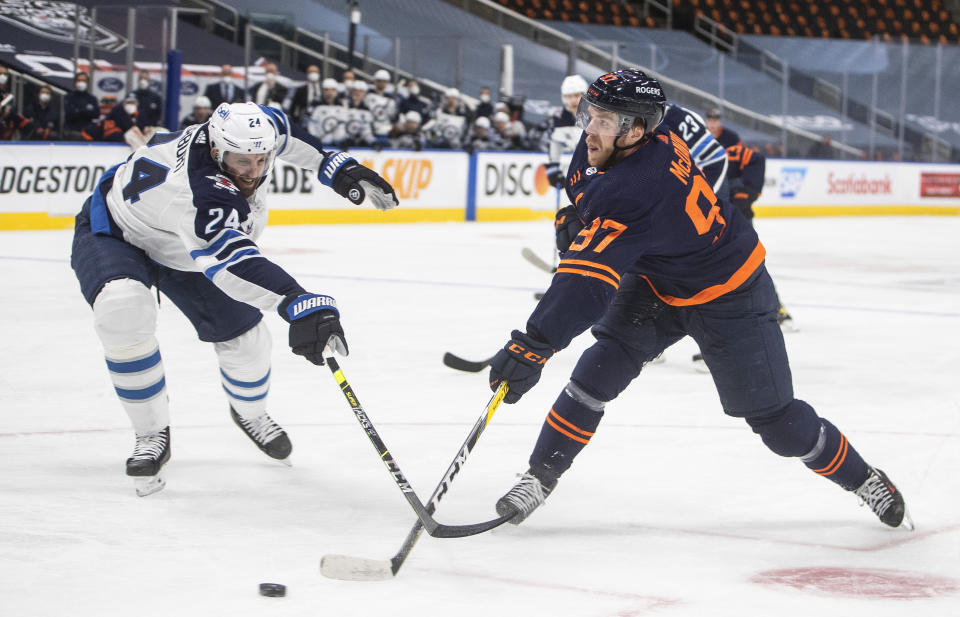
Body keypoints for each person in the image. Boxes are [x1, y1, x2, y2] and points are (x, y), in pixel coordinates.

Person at [487, 69, 912, 533]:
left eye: (605, 120)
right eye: (590, 114)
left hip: (731, 291)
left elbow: (586, 284)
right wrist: (582, 213)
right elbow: (602, 192)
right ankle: (539, 476)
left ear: (636, 130)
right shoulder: (651, 130)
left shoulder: (634, 188)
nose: (589, 128)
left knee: (777, 422)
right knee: (595, 373)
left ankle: (865, 479)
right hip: (658, 279)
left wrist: (536, 342)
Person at [70, 101, 399, 497]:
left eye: (260, 160)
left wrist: (336, 166)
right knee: (122, 308)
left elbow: (287, 137)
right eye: (241, 162)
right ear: (215, 150)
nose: (252, 172)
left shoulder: (256, 130)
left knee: (247, 342)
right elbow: (231, 262)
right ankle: (151, 433)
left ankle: (251, 413)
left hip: (180, 240)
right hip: (119, 231)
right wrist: (298, 301)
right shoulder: (200, 190)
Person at [705, 107, 792, 328]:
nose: (712, 123)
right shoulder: (698, 140)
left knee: (750, 262)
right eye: (709, 119)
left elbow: (755, 161)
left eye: (716, 119)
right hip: (709, 217)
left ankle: (774, 307)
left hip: (736, 215)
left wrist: (744, 194)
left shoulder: (731, 140)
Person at [543, 75, 588, 188]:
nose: (573, 100)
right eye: (568, 96)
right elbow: (552, 144)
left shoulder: (595, 117)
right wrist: (553, 168)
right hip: (568, 173)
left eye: (577, 95)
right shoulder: (557, 119)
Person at [82, 93, 148, 149]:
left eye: (133, 103)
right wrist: (126, 137)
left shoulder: (139, 114)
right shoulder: (116, 113)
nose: (130, 105)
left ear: (137, 104)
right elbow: (110, 134)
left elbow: (138, 128)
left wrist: (144, 130)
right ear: (124, 103)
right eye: (128, 102)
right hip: (88, 137)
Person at [64, 72, 100, 140]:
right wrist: (86, 111)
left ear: (87, 83)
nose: (81, 82)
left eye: (84, 81)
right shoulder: (68, 97)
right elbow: (69, 114)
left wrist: (78, 110)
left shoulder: (92, 98)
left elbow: (96, 114)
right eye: (79, 80)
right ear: (75, 82)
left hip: (88, 132)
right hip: (72, 131)